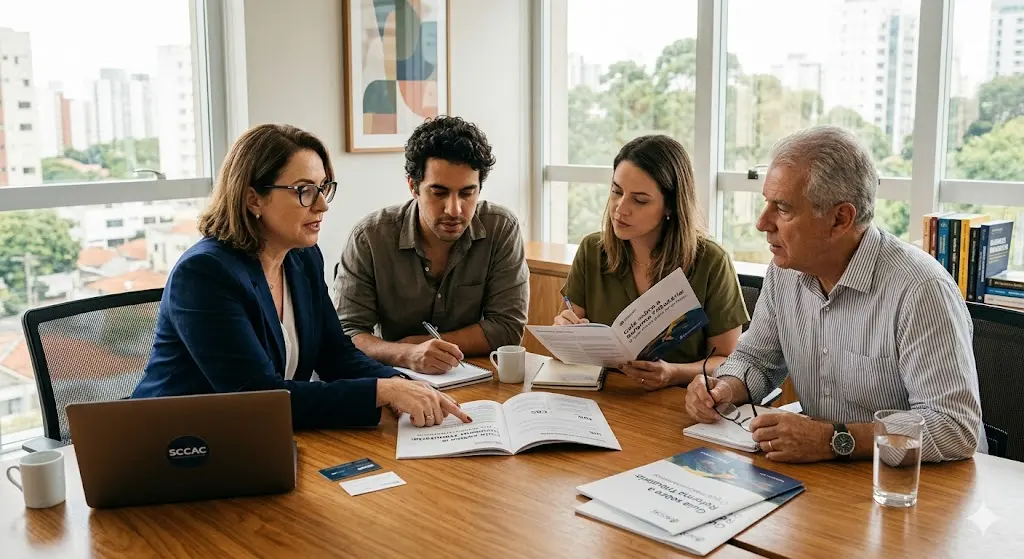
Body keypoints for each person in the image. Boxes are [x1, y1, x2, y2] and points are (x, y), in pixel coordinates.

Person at [132, 124, 471, 429]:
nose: (322, 205)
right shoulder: (205, 274)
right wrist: (382, 391)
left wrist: (404, 385)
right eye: (304, 190)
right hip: (175, 446)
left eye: (324, 188)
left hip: (254, 443)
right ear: (253, 198)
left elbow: (335, 355)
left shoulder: (301, 258)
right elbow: (257, 397)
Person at [685, 125, 986, 463]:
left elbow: (954, 428)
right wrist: (725, 388)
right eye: (766, 203)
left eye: (782, 208)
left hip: (918, 488)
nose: (762, 222)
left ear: (840, 218)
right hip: (829, 479)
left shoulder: (920, 290)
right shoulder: (784, 272)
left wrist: (835, 439)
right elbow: (756, 360)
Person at [334, 116, 529, 374]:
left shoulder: (501, 228)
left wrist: (428, 345)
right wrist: (405, 354)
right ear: (413, 186)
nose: (454, 209)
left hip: (471, 376)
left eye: (467, 193)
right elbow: (347, 334)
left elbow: (507, 327)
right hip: (394, 377)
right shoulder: (369, 238)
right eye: (439, 192)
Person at [554, 135, 749, 390]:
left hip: (678, 401)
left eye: (640, 200)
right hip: (604, 393)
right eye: (616, 191)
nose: (620, 209)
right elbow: (569, 330)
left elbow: (728, 360)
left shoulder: (711, 262)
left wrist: (673, 373)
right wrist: (565, 331)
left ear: (670, 206)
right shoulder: (592, 250)